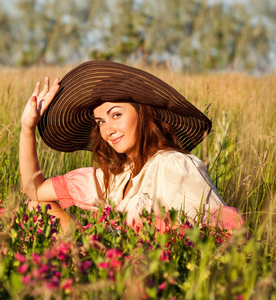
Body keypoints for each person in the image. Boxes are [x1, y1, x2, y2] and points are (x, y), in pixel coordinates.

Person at [19, 60, 244, 232]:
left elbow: (226, 231)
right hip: (111, 271)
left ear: (142, 113)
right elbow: (34, 190)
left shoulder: (173, 165)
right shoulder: (116, 177)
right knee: (36, 207)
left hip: (154, 279)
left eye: (116, 115)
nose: (108, 130)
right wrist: (27, 128)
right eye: (101, 122)